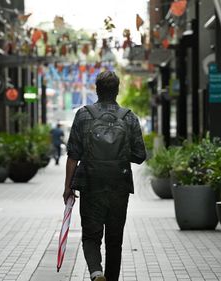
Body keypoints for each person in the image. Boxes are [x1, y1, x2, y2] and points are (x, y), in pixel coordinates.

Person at [63, 71, 146, 281]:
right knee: (114, 240)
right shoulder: (128, 117)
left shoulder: (83, 115)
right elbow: (140, 156)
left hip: (91, 184)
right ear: (117, 90)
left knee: (91, 236)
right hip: (119, 186)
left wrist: (68, 188)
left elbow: (73, 154)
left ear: (96, 90)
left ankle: (96, 272)